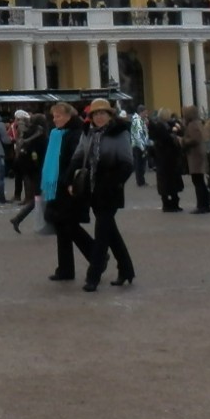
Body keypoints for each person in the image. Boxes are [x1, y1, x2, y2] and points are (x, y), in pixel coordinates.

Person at [72, 98, 135, 290]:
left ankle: (93, 276)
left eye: (103, 113)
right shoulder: (88, 133)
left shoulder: (119, 133)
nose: (99, 117)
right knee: (111, 233)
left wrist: (112, 183)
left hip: (110, 191)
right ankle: (126, 269)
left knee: (101, 235)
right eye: (96, 114)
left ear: (110, 115)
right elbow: (78, 157)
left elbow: (127, 164)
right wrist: (68, 179)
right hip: (92, 190)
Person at [38, 101, 93, 282]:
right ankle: (65, 269)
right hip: (57, 188)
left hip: (69, 188)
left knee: (69, 226)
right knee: (63, 228)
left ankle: (95, 255)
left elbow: (75, 161)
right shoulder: (57, 134)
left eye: (58, 116)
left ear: (69, 116)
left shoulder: (75, 134)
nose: (55, 119)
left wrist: (67, 181)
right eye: (54, 116)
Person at [180, 107, 210, 214]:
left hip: (195, 156)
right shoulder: (198, 123)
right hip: (199, 154)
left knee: (198, 181)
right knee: (200, 181)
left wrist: (183, 141)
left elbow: (194, 139)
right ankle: (205, 205)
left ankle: (202, 205)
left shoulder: (192, 125)